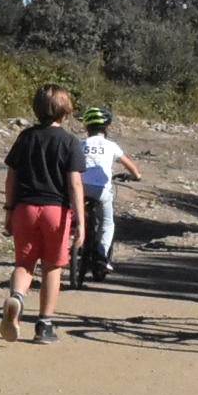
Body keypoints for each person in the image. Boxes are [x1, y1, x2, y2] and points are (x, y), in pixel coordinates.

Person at [0, 85, 88, 343]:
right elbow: (74, 184)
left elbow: (10, 177)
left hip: (24, 208)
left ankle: (16, 299)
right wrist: (80, 221)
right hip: (55, 211)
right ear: (65, 110)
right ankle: (44, 325)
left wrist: (9, 209)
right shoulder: (69, 142)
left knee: (24, 264)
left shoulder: (25, 137)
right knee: (52, 267)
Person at [74, 107, 141, 284]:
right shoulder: (111, 146)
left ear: (86, 127)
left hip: (80, 188)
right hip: (101, 190)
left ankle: (70, 244)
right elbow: (131, 167)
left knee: (74, 216)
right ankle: (102, 257)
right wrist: (136, 176)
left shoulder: (80, 145)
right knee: (107, 223)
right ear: (107, 127)